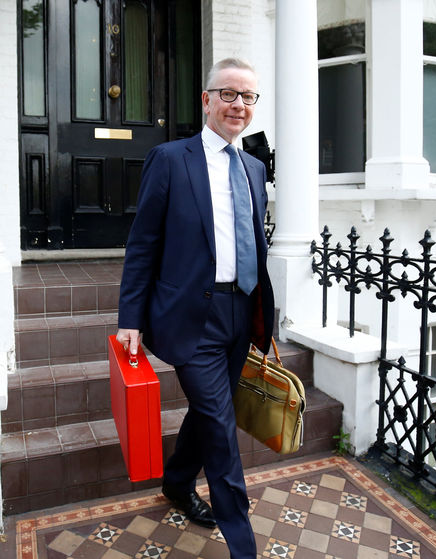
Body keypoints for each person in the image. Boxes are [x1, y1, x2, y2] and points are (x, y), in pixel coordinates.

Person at [116, 58, 274, 559]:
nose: (239, 105)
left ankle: (178, 482)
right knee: (222, 431)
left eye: (248, 97)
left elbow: (255, 246)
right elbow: (143, 244)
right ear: (206, 100)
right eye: (229, 94)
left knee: (211, 413)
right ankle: (243, 543)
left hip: (240, 313)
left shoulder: (253, 166)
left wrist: (265, 318)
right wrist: (130, 319)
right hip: (191, 317)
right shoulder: (169, 159)